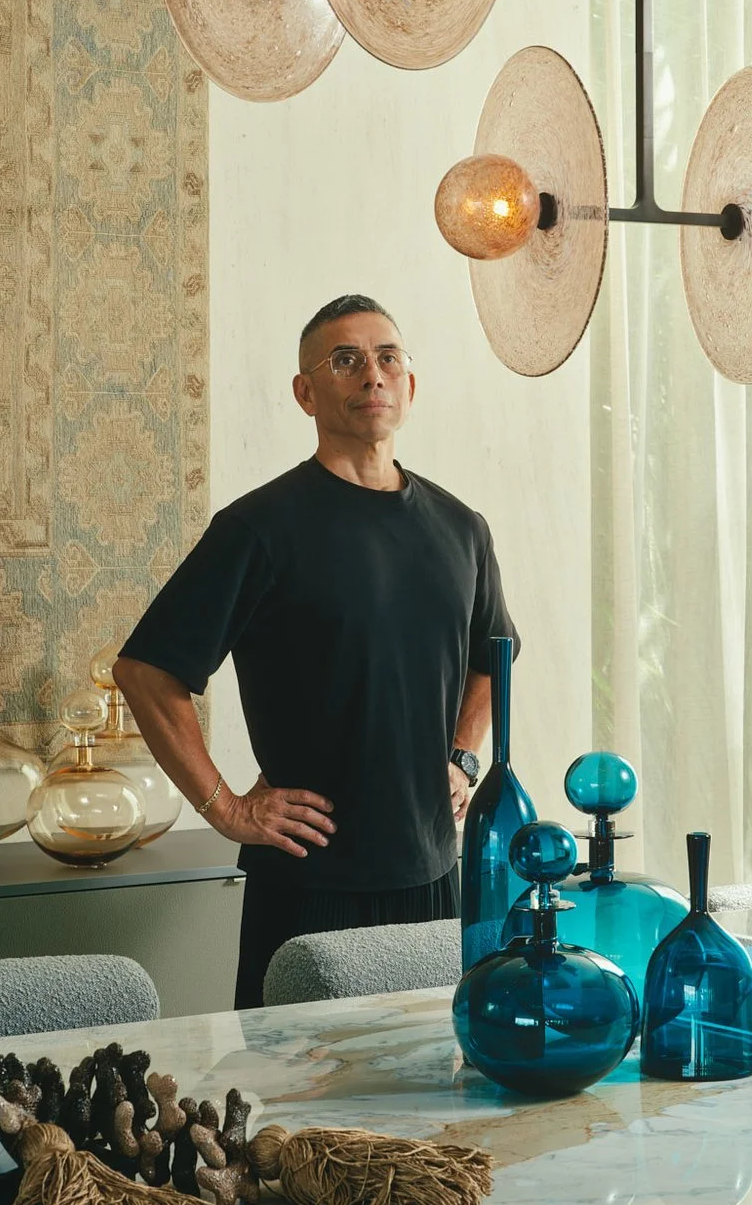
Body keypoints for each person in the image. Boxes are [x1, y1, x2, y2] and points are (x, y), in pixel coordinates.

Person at [115, 294, 515, 1007]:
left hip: (434, 877)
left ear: (410, 384)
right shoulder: (258, 529)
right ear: (305, 393)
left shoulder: (463, 528)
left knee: (429, 1070)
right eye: (346, 360)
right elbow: (147, 671)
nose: (372, 374)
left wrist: (463, 756)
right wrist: (225, 807)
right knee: (290, 1079)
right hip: (306, 879)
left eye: (387, 357)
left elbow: (496, 653)